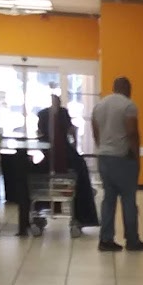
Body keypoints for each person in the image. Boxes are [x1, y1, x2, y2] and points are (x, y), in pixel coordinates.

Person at [91, 76, 143, 253]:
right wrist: (136, 157)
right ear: (127, 88)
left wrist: (102, 147)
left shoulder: (99, 105)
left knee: (108, 199)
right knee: (128, 200)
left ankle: (106, 240)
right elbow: (132, 133)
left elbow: (95, 130)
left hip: (104, 158)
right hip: (123, 159)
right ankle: (132, 240)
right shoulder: (128, 106)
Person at [34, 93, 98, 234]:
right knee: (80, 174)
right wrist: (74, 145)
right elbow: (71, 131)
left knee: (37, 177)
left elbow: (39, 135)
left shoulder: (44, 116)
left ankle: (39, 209)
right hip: (66, 158)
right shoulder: (63, 114)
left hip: (49, 158)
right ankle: (83, 215)